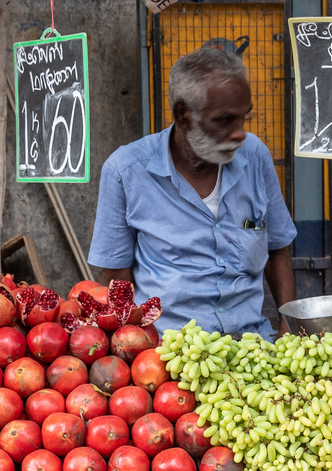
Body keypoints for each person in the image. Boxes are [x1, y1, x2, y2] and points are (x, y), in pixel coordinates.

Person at [89, 44, 297, 338]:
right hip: (167, 357)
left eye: (244, 118)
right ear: (184, 115)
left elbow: (277, 249)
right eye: (225, 120)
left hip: (253, 348)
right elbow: (116, 280)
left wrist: (289, 327)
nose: (239, 132)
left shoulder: (255, 156)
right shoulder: (125, 171)